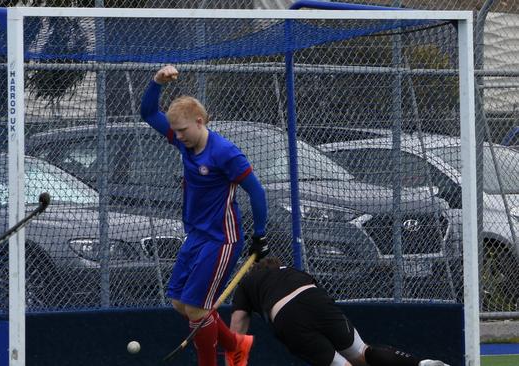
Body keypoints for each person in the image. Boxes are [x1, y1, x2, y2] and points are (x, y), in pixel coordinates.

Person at [140, 65, 270, 366]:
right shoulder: (184, 142)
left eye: (183, 131)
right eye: (177, 132)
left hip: (221, 239)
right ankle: (235, 344)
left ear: (200, 122)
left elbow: (257, 192)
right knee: (179, 302)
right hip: (196, 235)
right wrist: (156, 82)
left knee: (198, 310)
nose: (178, 136)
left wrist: (260, 235)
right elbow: (148, 114)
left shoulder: (225, 153)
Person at [228, 257, 451, 366]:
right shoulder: (291, 271)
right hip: (315, 299)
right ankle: (422, 365)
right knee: (362, 353)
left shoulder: (247, 282)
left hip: (287, 317)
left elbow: (238, 323)